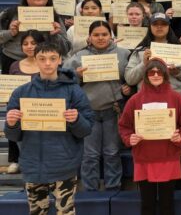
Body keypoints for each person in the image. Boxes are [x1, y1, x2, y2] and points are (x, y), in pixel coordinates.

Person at [4, 41, 93, 215]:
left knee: (65, 212)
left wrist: (76, 120)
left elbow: (86, 130)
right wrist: (11, 123)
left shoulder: (74, 91)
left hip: (64, 165)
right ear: (35, 60)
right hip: (32, 165)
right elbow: (12, 136)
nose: (47, 63)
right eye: (42, 58)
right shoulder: (21, 92)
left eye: (52, 58)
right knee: (37, 212)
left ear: (60, 60)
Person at [119, 58, 181, 215]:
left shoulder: (178, 98)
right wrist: (129, 138)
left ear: (166, 74)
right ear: (145, 75)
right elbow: (124, 126)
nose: (155, 75)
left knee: (167, 204)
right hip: (144, 157)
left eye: (159, 71)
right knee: (147, 204)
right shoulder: (135, 100)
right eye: (151, 72)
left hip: (169, 156)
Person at [64, 21, 130, 191]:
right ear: (89, 37)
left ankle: (113, 189)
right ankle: (90, 191)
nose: (100, 38)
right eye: (96, 35)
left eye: (104, 34)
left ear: (111, 36)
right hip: (88, 113)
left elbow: (131, 77)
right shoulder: (79, 56)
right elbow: (63, 80)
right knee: (90, 155)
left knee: (112, 153)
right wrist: (76, 76)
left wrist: (128, 87)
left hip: (113, 110)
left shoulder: (123, 54)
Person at [0, 0, 71, 73]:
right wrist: (10, 33)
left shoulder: (55, 17)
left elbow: (65, 48)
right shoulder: (10, 13)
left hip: (45, 63)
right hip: (12, 61)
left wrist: (55, 36)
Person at [5, 30, 45, 174]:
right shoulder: (14, 65)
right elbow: (10, 90)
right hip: (21, 114)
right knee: (26, 150)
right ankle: (30, 183)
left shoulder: (47, 64)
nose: (29, 46)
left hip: (43, 111)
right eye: (25, 44)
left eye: (34, 43)